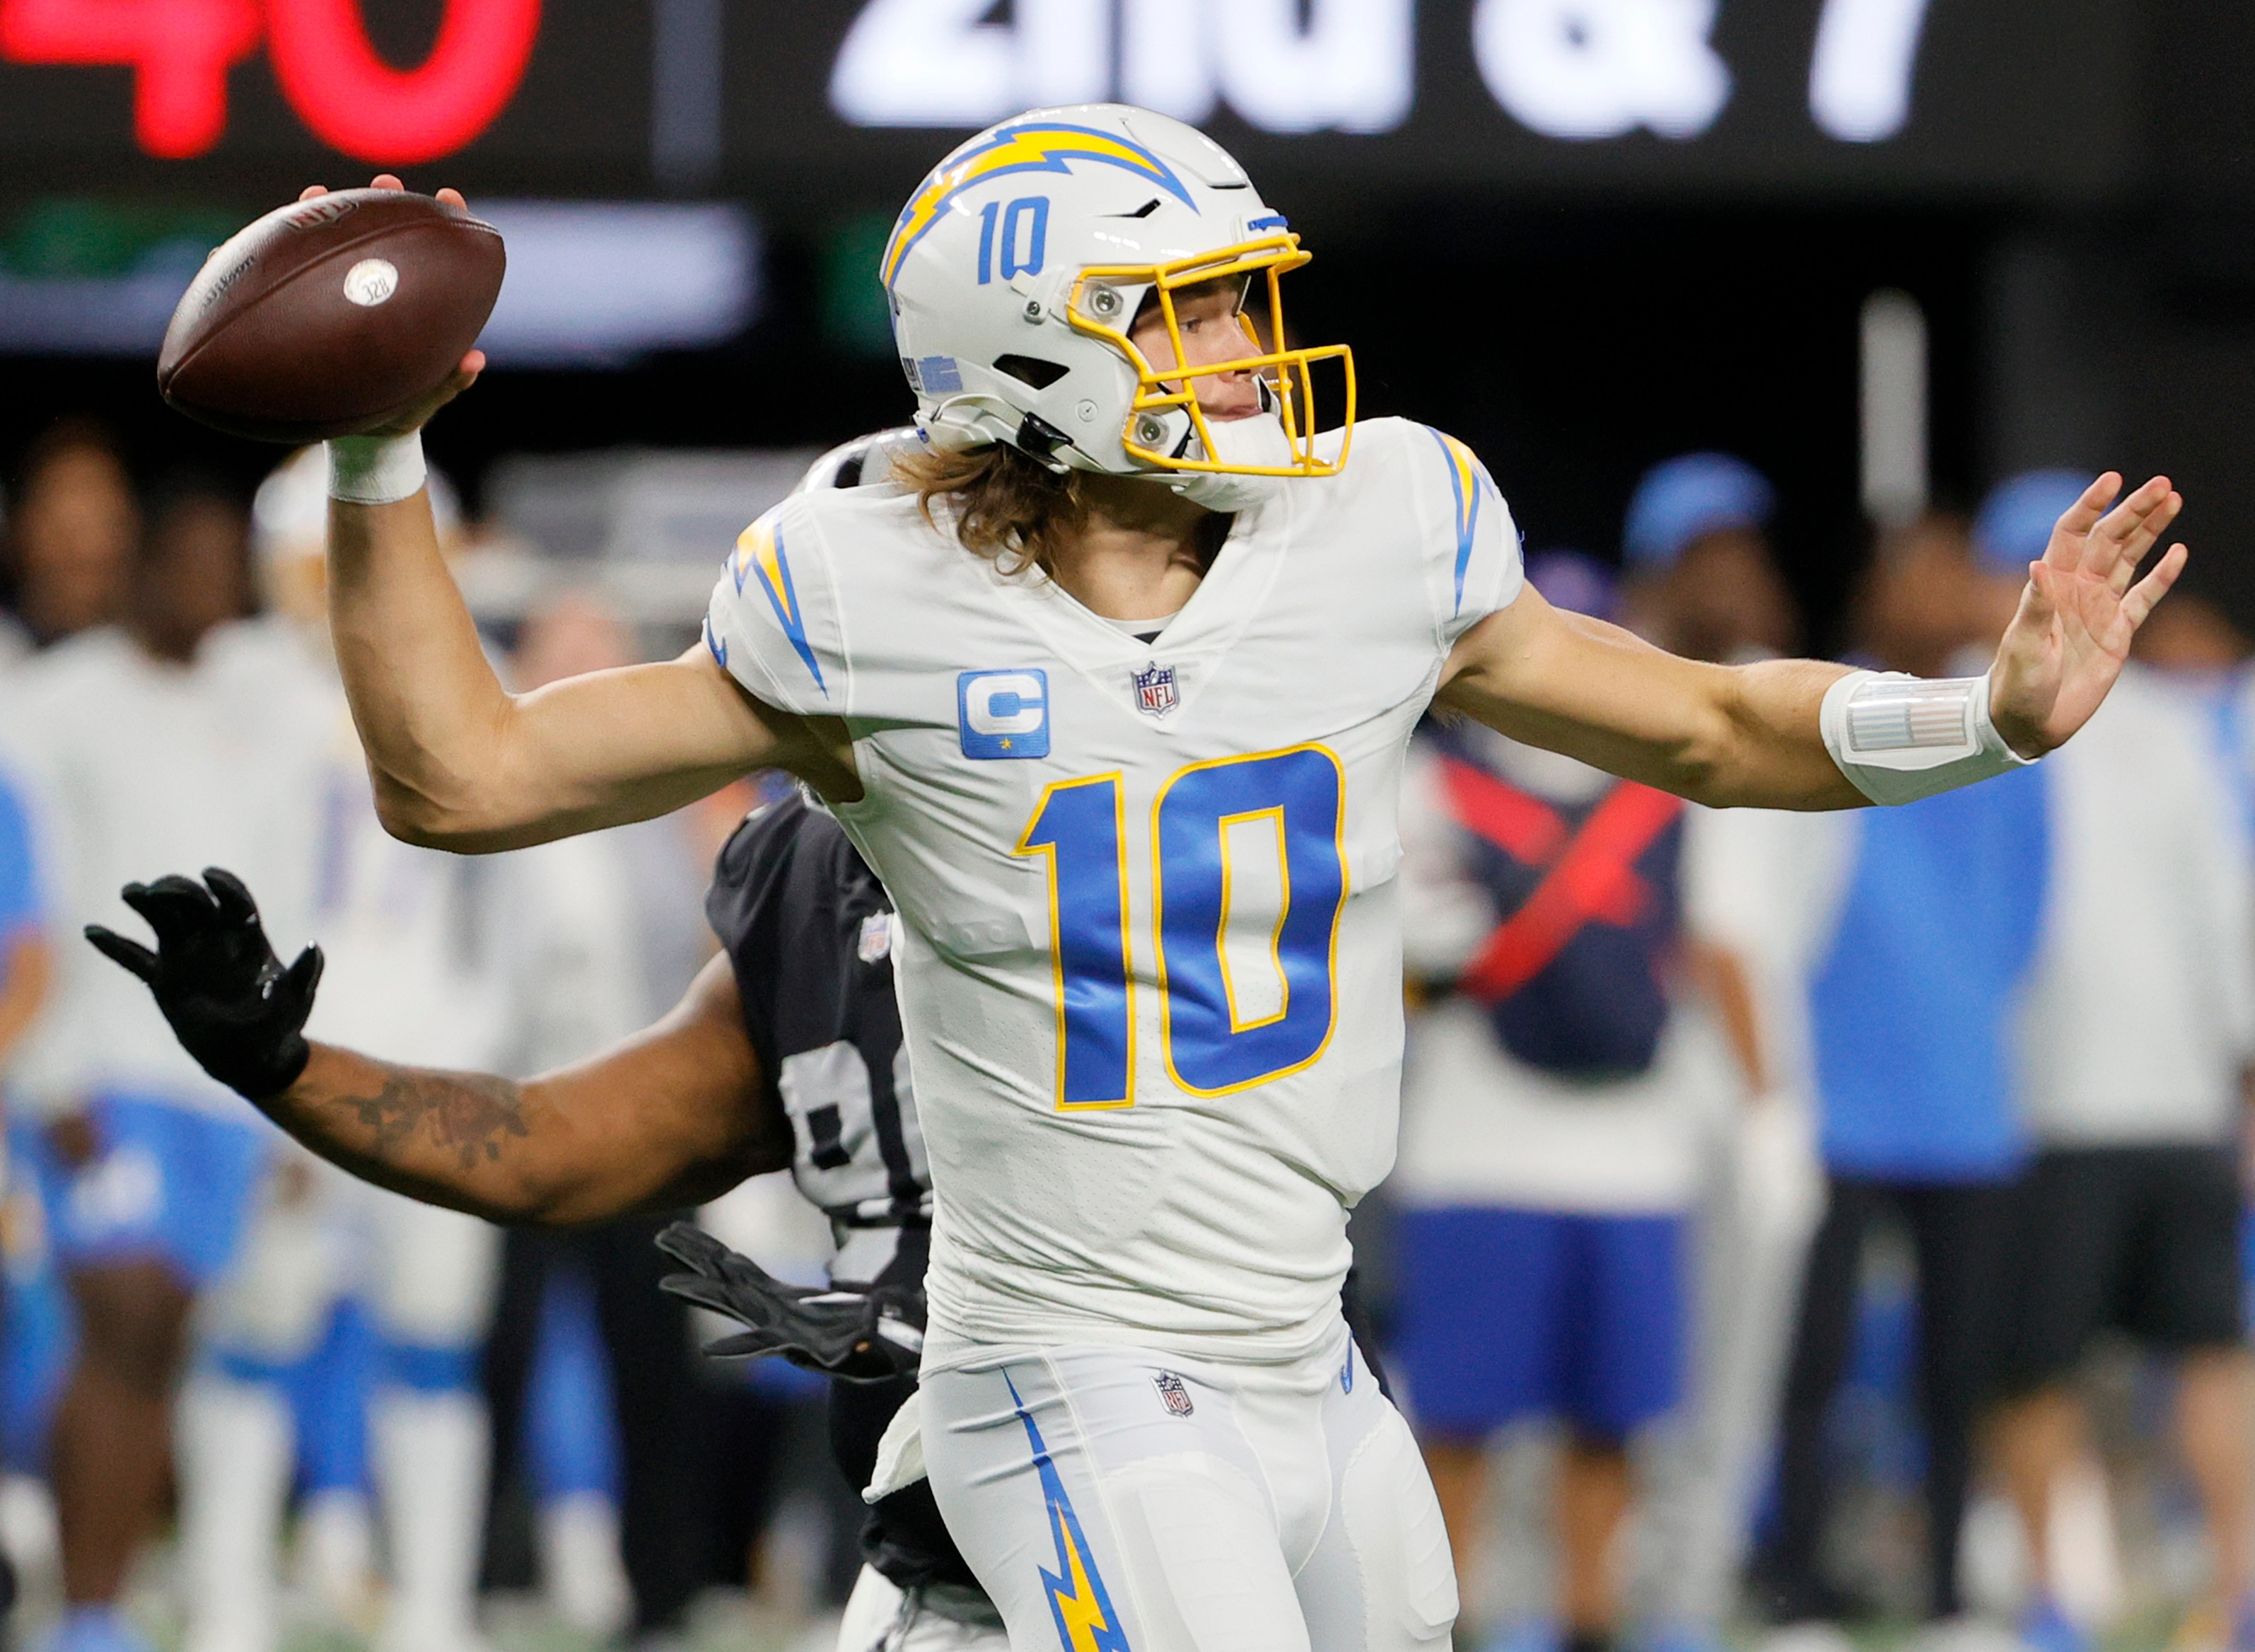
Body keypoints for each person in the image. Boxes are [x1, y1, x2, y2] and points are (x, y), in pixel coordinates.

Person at [299, 103, 2176, 1651]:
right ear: (1032, 358)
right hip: (1065, 1359)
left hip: (1305, 1345)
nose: (1244, 349)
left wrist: (1984, 721)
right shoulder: (863, 599)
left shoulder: (1378, 530)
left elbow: (1701, 728)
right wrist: (379, 457)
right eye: (1184, 313)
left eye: (1238, 302)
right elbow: (465, 776)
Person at [81, 795, 1008, 1652]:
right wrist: (286, 1069)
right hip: (928, 1573)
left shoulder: (1109, 810)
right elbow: (547, 1141)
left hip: (1121, 1485)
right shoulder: (805, 869)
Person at [1390, 551, 1749, 1652]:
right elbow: (1401, 965)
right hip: (1474, 1151)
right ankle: (1447, 1625)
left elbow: (1711, 952)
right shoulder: (1426, 785)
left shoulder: (1672, 794)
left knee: (1615, 1425)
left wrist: (1755, 1111)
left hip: (1633, 1152)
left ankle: (1590, 1624)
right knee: (1457, 1424)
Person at [0, 472, 328, 1652]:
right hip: (98, 1078)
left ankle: (105, 1599)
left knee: (167, 1344)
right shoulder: (53, 700)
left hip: (220, 1095)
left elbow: (276, 907)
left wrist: (293, 1091)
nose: (205, 589)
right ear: (139, 567)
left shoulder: (256, 707)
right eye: (181, 564)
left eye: (222, 569)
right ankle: (80, 1610)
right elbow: (32, 892)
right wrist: (47, 1079)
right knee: (117, 1324)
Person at [1968, 473, 2255, 1652]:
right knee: (2107, 1355)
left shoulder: (2019, 720)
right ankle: (2072, 1592)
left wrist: (2238, 1076)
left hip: (2102, 1101)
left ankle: (2208, 1593)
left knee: (2165, 1354)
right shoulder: (1986, 713)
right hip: (2064, 1096)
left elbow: (2219, 914)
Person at [1751, 512, 2049, 1634]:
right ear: (1874, 597)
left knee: (1956, 1368)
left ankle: (1944, 1598)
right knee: (1813, 1365)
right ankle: (1794, 1592)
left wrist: (1966, 1017)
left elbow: (2027, 912)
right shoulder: (1832, 710)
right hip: (1835, 1101)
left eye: (1953, 572)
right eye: (1912, 575)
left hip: (1967, 1103)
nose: (1936, 593)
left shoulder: (2014, 736)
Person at [1, 424, 136, 651]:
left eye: (107, 526)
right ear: (22, 534)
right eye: (68, 532)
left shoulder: (171, 664)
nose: (89, 551)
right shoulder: (7, 657)